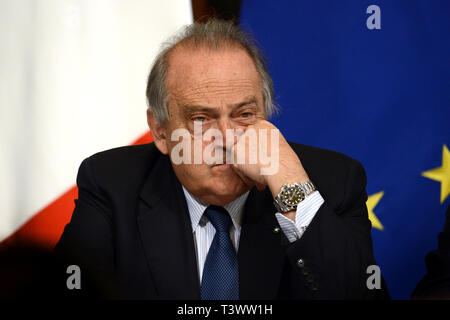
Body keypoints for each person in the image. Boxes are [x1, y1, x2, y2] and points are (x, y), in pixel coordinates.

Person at [54, 19, 389, 299]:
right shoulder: (112, 184)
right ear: (159, 131)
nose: (227, 138)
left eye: (244, 114)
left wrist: (292, 191)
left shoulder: (333, 181)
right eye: (201, 119)